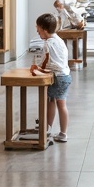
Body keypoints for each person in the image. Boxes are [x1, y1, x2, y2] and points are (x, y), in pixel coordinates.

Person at [31, 12, 71, 142]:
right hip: (65, 75)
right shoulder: (59, 40)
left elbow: (46, 61)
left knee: (59, 103)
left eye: (38, 28)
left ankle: (61, 133)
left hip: (57, 77)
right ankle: (47, 128)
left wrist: (37, 68)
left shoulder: (48, 43)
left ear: (44, 29)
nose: (37, 31)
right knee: (53, 101)